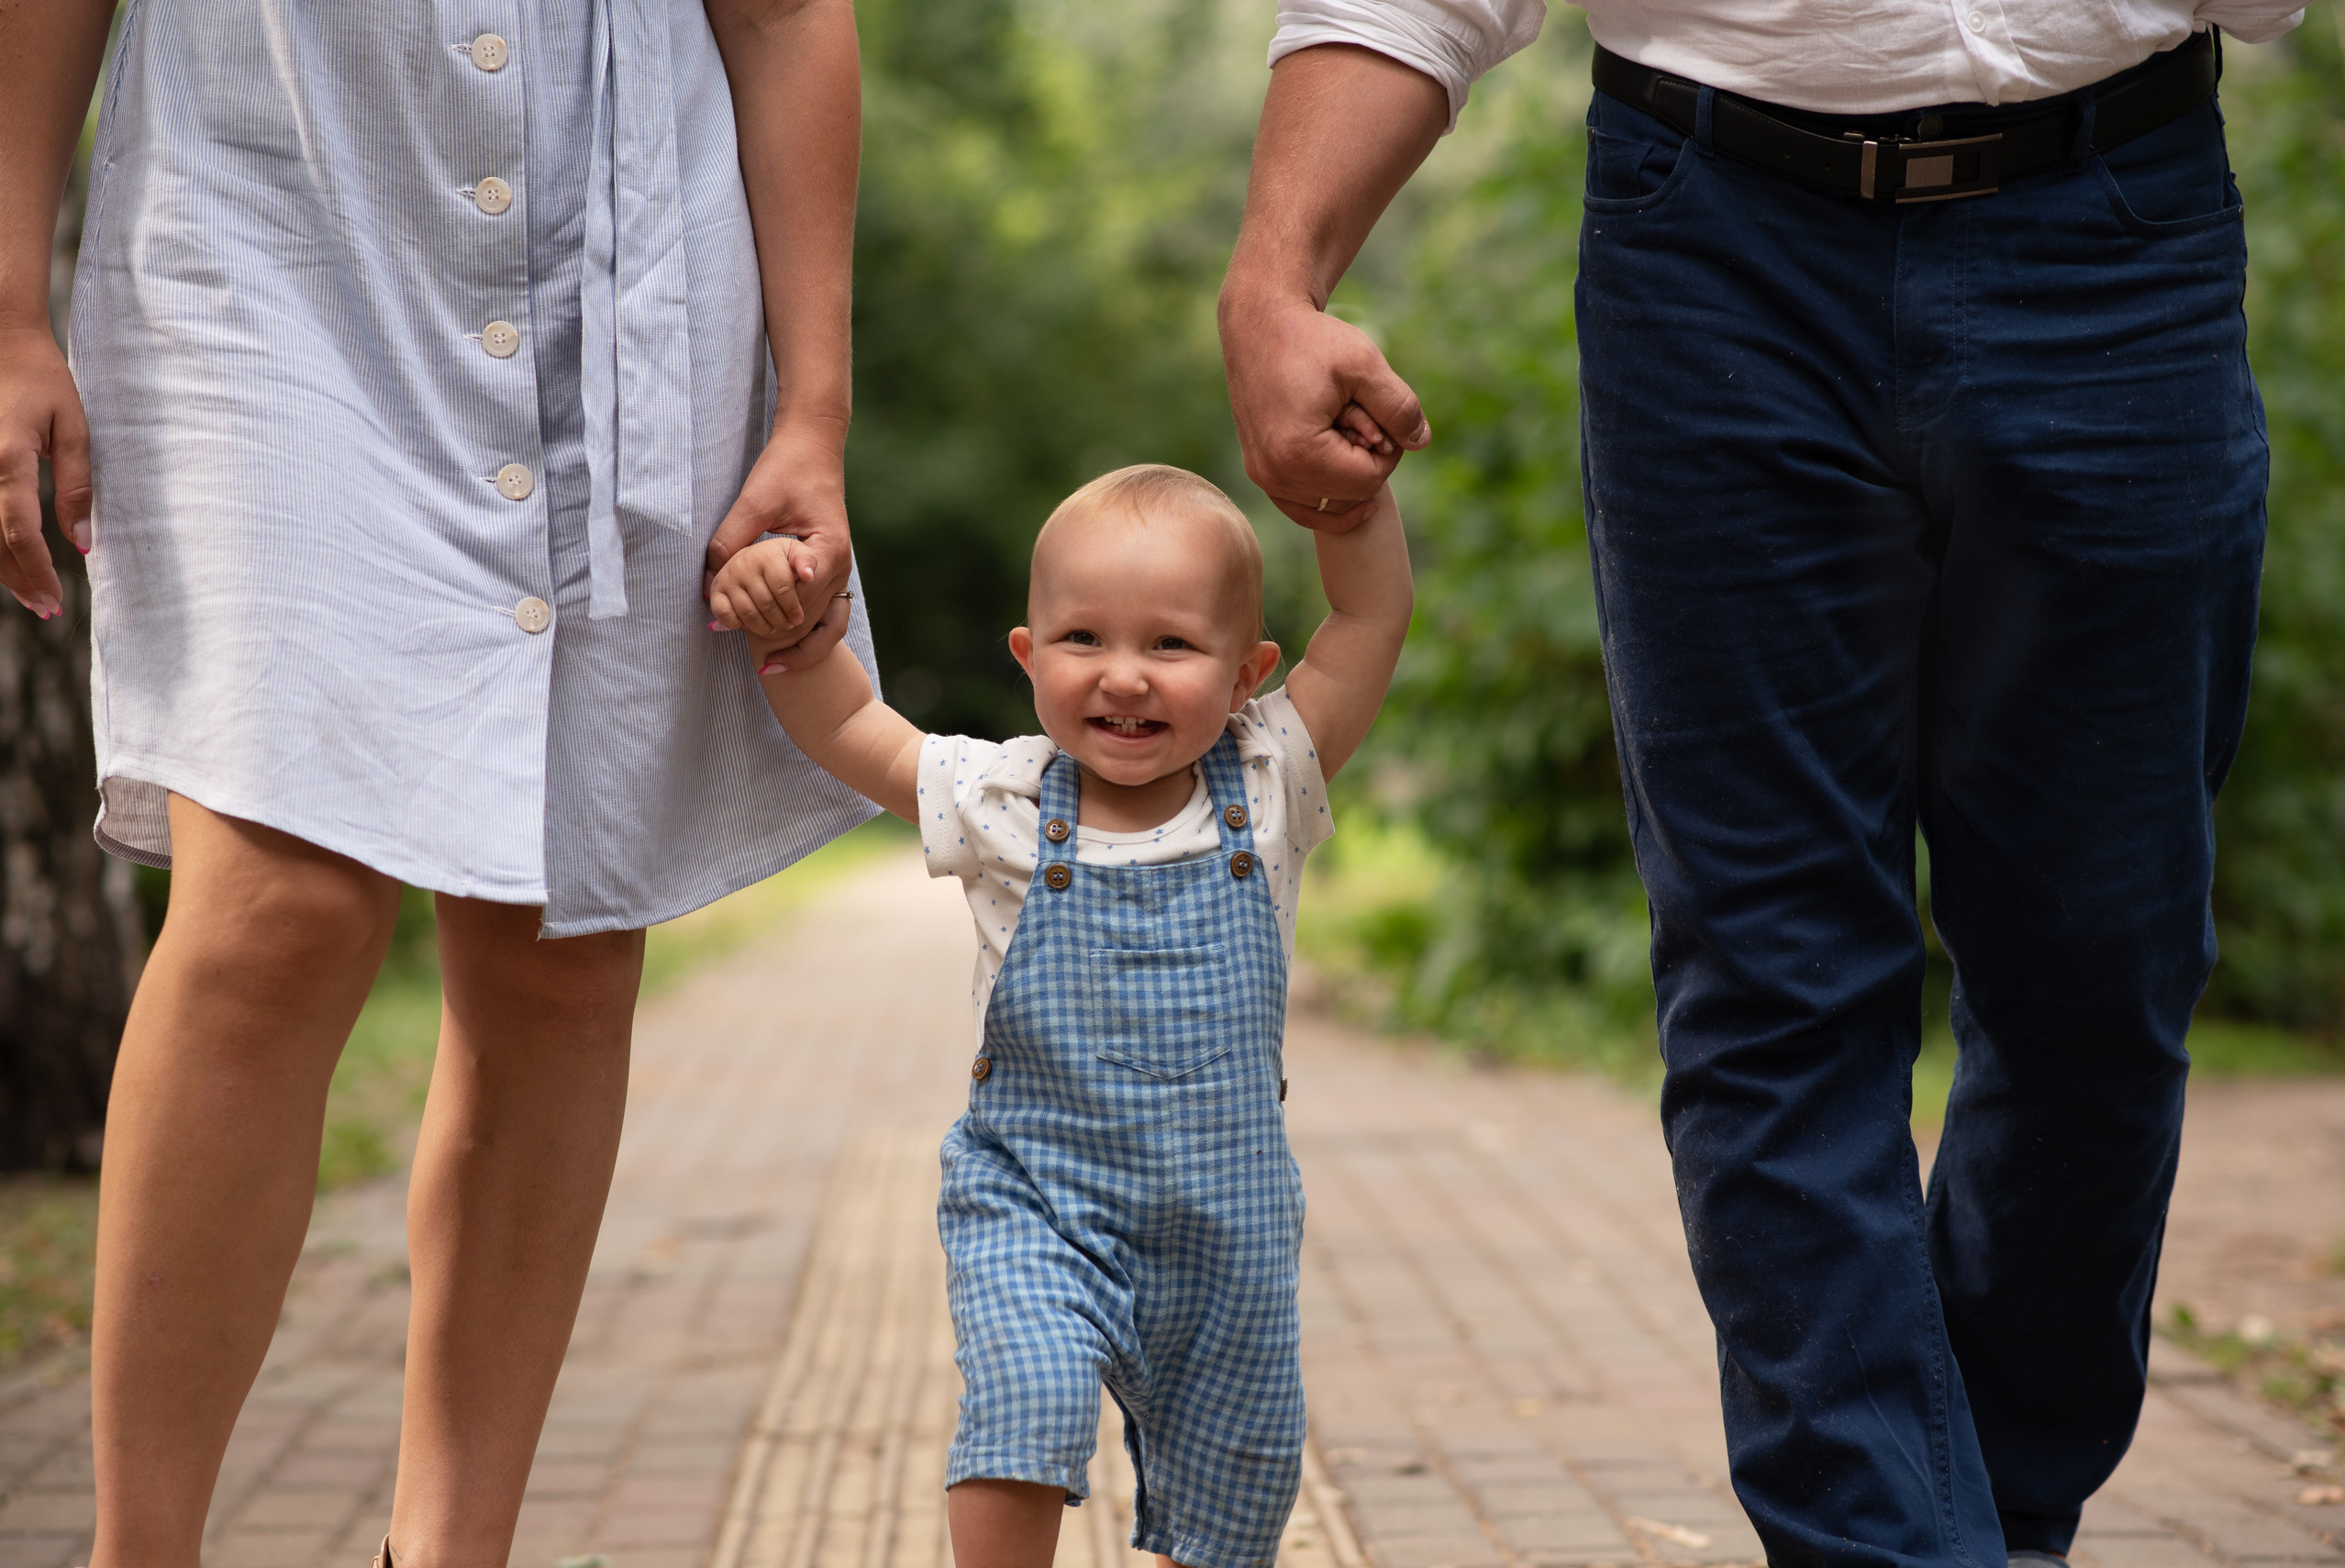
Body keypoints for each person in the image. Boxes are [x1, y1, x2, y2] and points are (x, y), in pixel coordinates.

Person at [1216, 3, 2298, 1565]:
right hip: (1713, 238)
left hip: (2114, 230)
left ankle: (1991, 1512)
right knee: (1771, 972)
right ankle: (1895, 1542)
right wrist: (1274, 272)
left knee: (2104, 971)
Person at [0, 2, 869, 1562]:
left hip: (631, 236)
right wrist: (6, 307)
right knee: (279, 903)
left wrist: (813, 405)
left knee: (563, 938)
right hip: (268, 216)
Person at [709, 463, 1412, 1568]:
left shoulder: (1273, 773)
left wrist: (1352, 507)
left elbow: (1368, 619)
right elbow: (851, 724)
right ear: (1029, 656)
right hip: (1038, 1199)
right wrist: (800, 638)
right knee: (1024, 1407)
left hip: (1225, 1231)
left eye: (1172, 646)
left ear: (1247, 674)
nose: (1122, 676)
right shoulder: (1001, 797)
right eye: (1083, 638)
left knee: (1241, 1477)